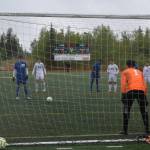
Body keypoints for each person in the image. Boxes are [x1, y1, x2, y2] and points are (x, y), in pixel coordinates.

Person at [120, 60, 149, 135]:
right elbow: (144, 84)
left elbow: (123, 84)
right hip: (141, 92)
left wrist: (123, 95)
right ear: (134, 65)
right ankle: (147, 129)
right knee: (144, 111)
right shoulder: (140, 72)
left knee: (126, 110)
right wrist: (145, 96)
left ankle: (125, 130)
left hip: (131, 91)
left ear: (127, 65)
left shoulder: (125, 71)